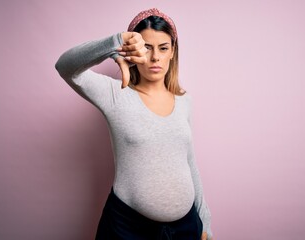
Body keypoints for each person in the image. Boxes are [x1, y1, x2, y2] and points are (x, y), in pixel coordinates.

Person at [55, 8, 213, 240]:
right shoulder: (115, 94)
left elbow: (189, 162)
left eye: (163, 48)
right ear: (132, 51)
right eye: (146, 47)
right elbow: (65, 67)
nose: (155, 57)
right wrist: (115, 43)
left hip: (186, 228)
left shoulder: (184, 100)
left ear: (173, 52)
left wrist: (205, 221)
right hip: (129, 229)